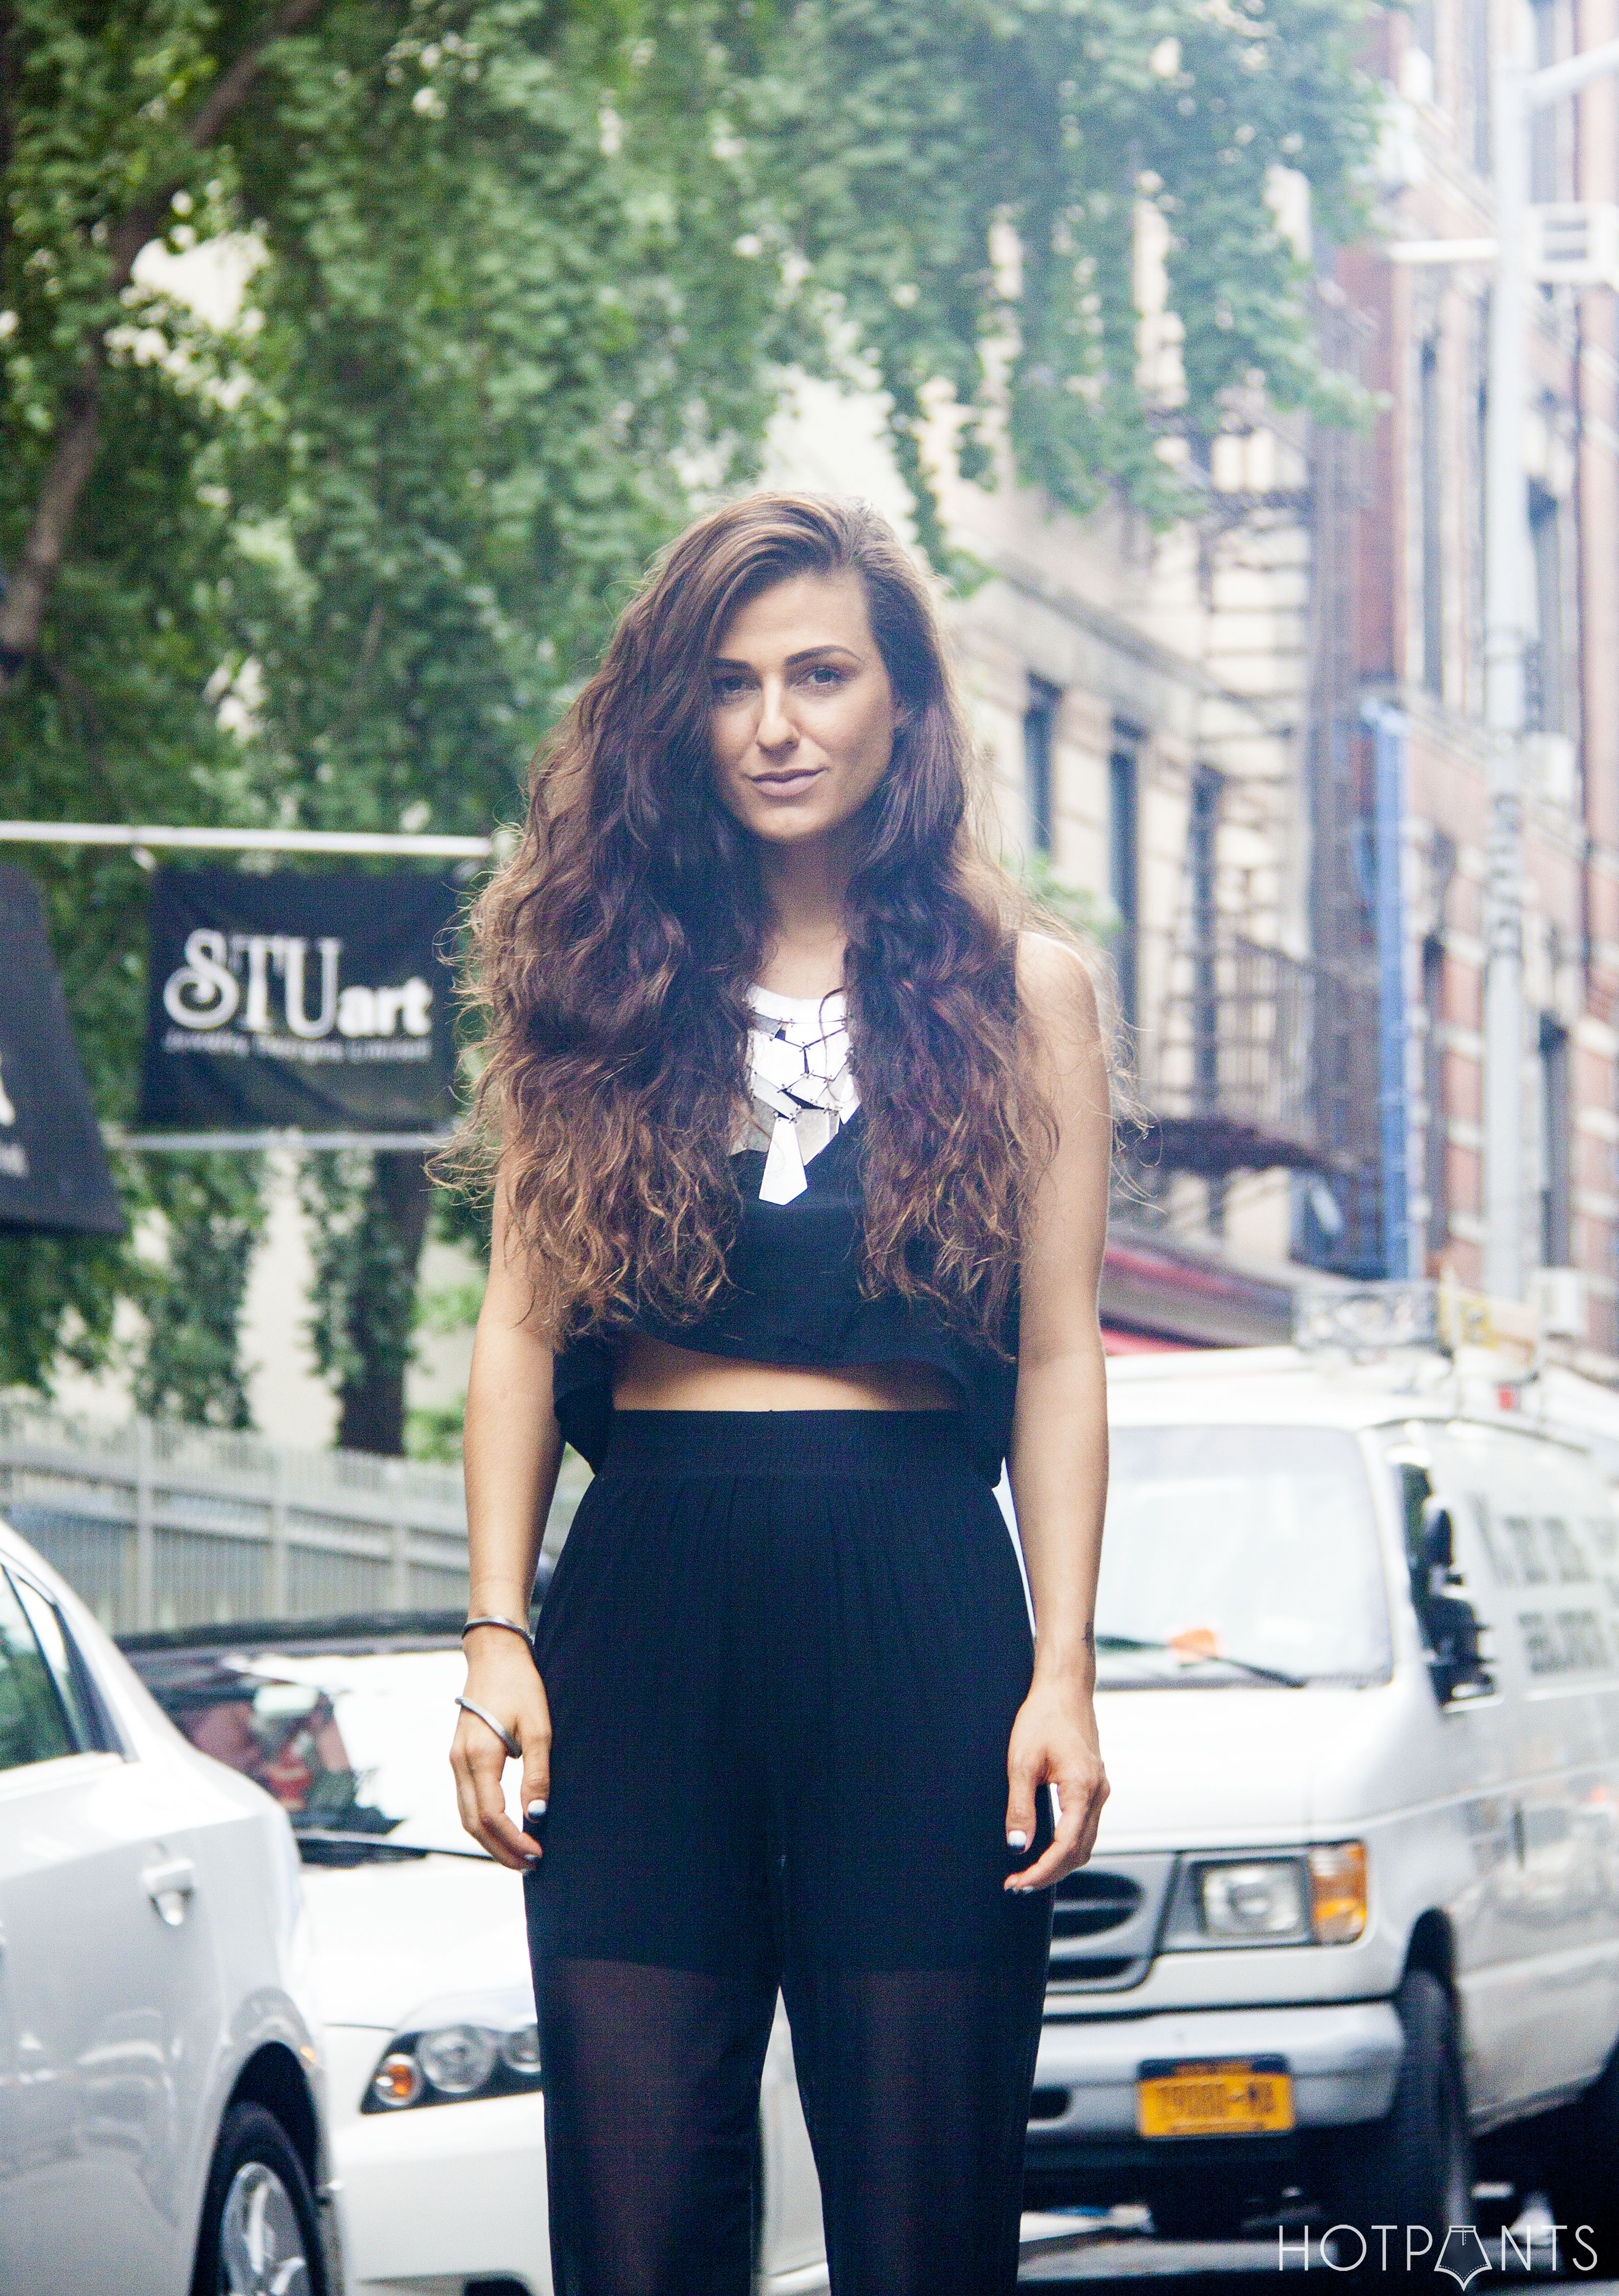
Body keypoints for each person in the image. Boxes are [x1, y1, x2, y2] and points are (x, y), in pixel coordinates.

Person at [447, 493, 1112, 2296]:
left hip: (920, 1610)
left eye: (821, 674)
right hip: (643, 1613)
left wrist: (1063, 1669)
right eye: (732, 684)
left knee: (922, 2232)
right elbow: (516, 1328)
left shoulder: (1021, 991)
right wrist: (498, 1635)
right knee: (642, 2232)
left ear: (904, 701)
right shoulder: (591, 979)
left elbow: (1059, 1354)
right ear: (682, 717)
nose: (774, 723)